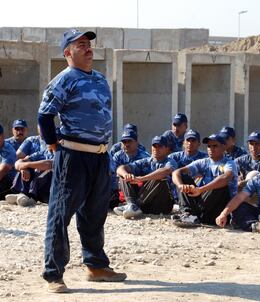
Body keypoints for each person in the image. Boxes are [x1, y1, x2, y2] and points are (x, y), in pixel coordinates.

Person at [37, 28, 126, 293]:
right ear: (68, 53)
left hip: (99, 156)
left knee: (95, 213)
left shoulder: (100, 79)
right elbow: (45, 116)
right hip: (73, 155)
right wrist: (53, 144)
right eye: (81, 45)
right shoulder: (64, 80)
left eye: (89, 44)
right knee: (60, 215)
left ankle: (96, 265)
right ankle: (54, 273)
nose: (88, 48)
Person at [216, 145, 260, 233]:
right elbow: (240, 197)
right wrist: (223, 214)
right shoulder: (258, 178)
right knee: (240, 206)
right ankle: (256, 226)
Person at [172, 133, 238, 226]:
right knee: (183, 177)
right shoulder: (204, 162)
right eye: (209, 146)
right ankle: (189, 215)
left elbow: (226, 177)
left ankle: (195, 216)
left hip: (219, 208)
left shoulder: (229, 163)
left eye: (215, 146)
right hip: (203, 203)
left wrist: (201, 189)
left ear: (223, 147)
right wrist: (181, 186)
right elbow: (176, 172)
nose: (211, 149)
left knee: (220, 185)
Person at [115, 135, 177, 219]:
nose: (156, 148)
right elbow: (120, 169)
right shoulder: (146, 161)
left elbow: (165, 171)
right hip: (146, 203)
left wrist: (141, 179)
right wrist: (126, 175)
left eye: (160, 146)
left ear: (166, 148)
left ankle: (134, 206)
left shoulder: (170, 161)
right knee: (124, 176)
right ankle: (132, 205)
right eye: (154, 146)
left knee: (160, 179)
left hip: (161, 204)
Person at [110, 128, 150, 208]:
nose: (126, 144)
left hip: (140, 190)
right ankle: (129, 204)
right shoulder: (118, 156)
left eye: (129, 141)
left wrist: (136, 179)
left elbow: (148, 178)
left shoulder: (145, 156)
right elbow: (113, 175)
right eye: (124, 142)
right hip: (120, 189)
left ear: (136, 142)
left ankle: (132, 205)